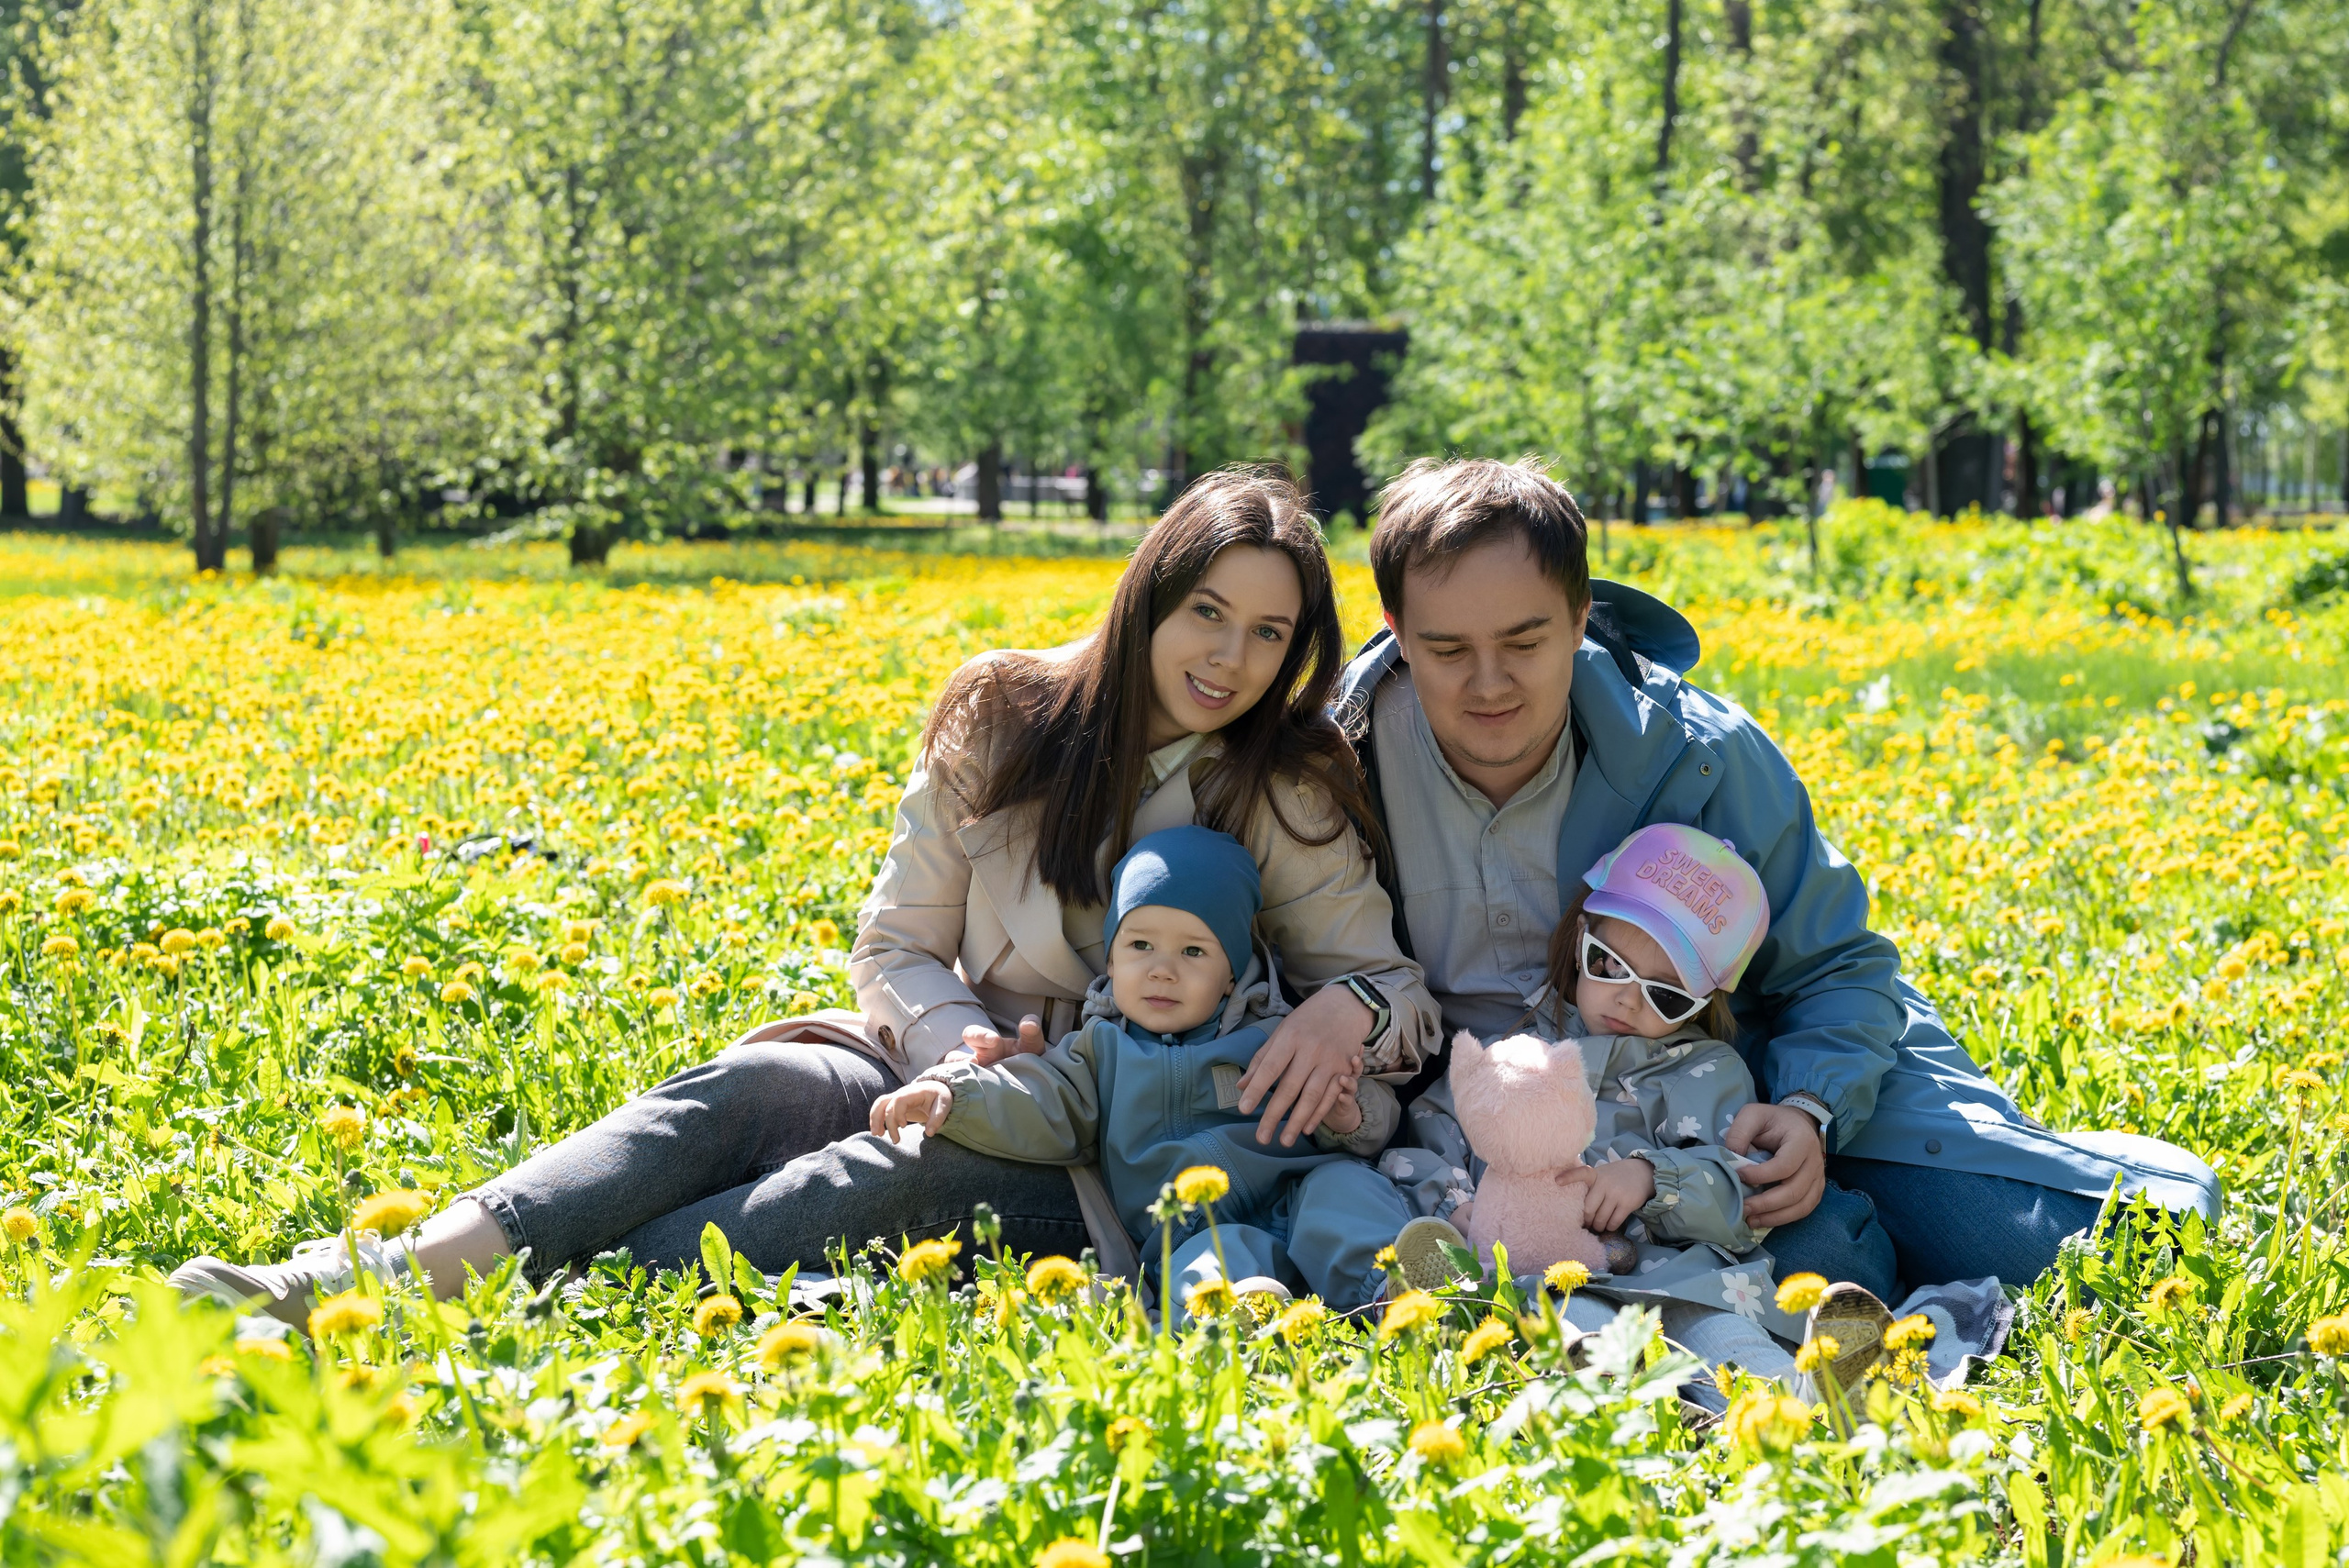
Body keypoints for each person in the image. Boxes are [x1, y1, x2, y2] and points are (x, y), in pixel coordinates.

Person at [169, 469, 1438, 1325]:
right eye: (1207, 611)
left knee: (881, 1178)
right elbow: (895, 940)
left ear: (1299, 652)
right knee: (745, 1096)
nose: (1229, 655)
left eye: (1270, 634)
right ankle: (384, 1271)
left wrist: (1354, 1017)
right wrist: (957, 1045)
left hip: (1103, 1138)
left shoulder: (1283, 789)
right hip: (928, 1049)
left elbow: (1388, 988)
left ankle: (560, 1295)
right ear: (1151, 592)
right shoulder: (1008, 715)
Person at [1327, 456, 2218, 1303]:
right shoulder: (1335, 764)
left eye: (1524, 639)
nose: (1490, 684)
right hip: (1518, 1142)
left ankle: (2074, 1173)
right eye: (1447, 650)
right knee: (1815, 1257)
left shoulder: (1700, 752)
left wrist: (1805, 1107)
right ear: (1398, 633)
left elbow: (1836, 966)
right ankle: (1856, 1254)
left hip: (1728, 1099)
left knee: (2073, 1252)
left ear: (1578, 614)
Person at [1386, 820, 1896, 1396]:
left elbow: (1746, 1195)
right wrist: (1459, 1208)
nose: (1629, 998)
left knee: (1727, 1341)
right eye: (1608, 965)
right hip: (1551, 1279)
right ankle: (1624, 1402)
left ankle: (1804, 1402)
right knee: (1582, 1334)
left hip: (1683, 1281)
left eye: (1668, 993)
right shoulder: (1520, 1049)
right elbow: (1430, 1131)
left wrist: (1656, 1178)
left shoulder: (1705, 1069)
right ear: (1580, 936)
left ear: (1706, 1002)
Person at [871, 825, 1405, 1317]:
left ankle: (1396, 1290)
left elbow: (1373, 1121)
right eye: (1140, 944)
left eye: (1194, 951)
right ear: (1110, 961)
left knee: (1346, 1191)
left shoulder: (1277, 1035)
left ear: (1231, 975)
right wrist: (954, 1092)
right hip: (1194, 1227)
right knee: (1208, 1267)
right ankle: (1234, 1317)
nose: (1162, 969)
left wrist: (1350, 1114)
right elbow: (1042, 1103)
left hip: (1299, 1190)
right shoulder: (1100, 1051)